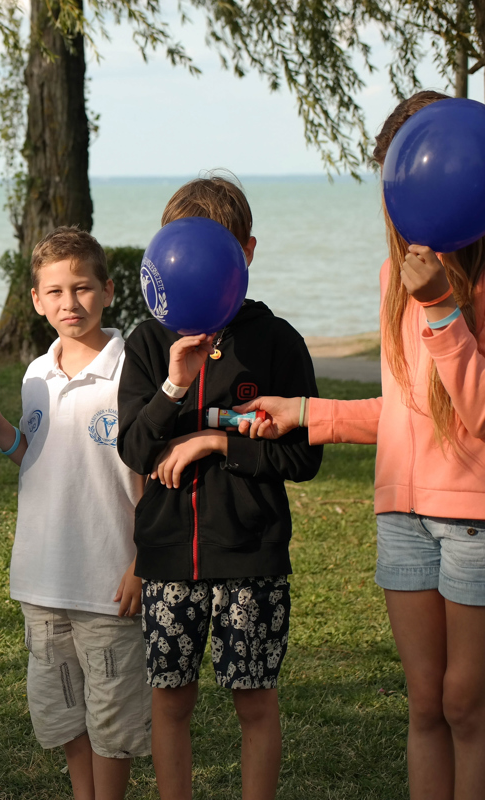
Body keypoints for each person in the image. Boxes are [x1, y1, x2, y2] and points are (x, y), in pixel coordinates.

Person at [235, 91, 485, 800]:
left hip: (474, 520)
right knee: (426, 704)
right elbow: (408, 413)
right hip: (402, 516)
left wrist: (443, 307)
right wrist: (304, 412)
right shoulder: (392, 278)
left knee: (468, 705)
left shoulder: (457, 286)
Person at [115, 173, 323, 800]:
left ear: (247, 253)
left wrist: (218, 443)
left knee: (254, 702)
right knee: (171, 700)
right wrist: (174, 384)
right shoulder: (148, 342)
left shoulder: (277, 342)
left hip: (251, 555)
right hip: (168, 557)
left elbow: (303, 456)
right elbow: (134, 448)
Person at [0, 226, 152, 800]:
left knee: (113, 720)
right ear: (37, 301)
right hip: (43, 580)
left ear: (108, 290)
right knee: (64, 714)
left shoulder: (131, 371)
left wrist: (141, 562)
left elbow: (147, 475)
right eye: (56, 292)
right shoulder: (36, 373)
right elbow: (33, 454)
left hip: (109, 580)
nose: (71, 303)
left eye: (83, 288)